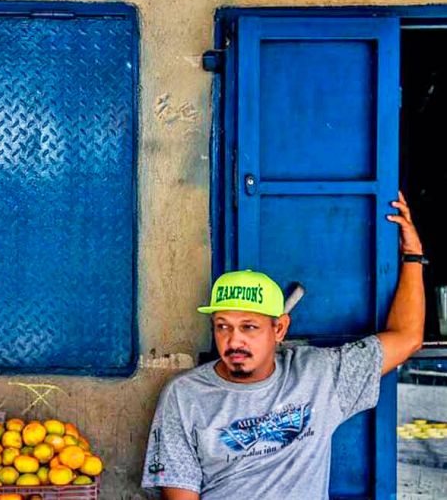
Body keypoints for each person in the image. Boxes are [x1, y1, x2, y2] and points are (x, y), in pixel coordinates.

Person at [142, 192, 426, 499]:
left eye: (249, 327)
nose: (233, 340)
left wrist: (412, 256)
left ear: (279, 328)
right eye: (222, 326)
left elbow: (407, 337)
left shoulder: (319, 375)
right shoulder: (185, 396)